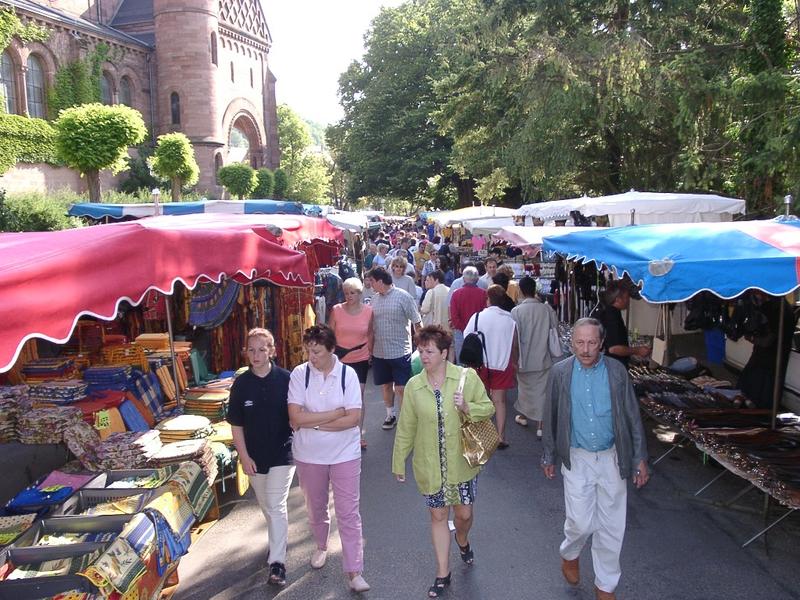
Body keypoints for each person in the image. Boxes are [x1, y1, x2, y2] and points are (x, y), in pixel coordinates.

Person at [541, 318, 649, 600]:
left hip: (613, 456)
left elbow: (631, 415)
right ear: (571, 343)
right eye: (579, 342)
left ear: (601, 343)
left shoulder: (616, 372)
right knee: (580, 522)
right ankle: (570, 552)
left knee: (612, 525)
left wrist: (639, 457)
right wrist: (548, 454)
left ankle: (606, 585)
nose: (585, 349)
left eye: (591, 342)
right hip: (577, 457)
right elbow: (550, 415)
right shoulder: (560, 372)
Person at [392, 325, 495, 599]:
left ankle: (462, 539)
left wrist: (467, 407)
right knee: (438, 516)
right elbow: (406, 426)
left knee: (463, 514)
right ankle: (442, 573)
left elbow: (489, 407)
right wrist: (398, 460)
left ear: (445, 353)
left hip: (462, 463)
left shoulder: (466, 378)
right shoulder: (415, 386)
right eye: (421, 350)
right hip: (429, 465)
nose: (424, 356)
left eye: (429, 351)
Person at [287, 325, 370, 593]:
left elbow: (353, 419)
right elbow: (295, 418)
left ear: (332, 349)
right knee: (316, 506)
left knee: (348, 512)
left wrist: (315, 424)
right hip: (309, 454)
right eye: (308, 351)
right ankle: (321, 544)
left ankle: (354, 570)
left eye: (318, 352)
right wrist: (334, 414)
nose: (312, 357)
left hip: (345, 452)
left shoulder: (347, 375)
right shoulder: (300, 375)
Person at [229, 328, 294, 587]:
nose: (256, 355)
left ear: (272, 351)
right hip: (254, 456)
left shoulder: (287, 379)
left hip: (283, 452)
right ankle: (275, 543)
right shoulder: (241, 384)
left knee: (276, 505)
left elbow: (297, 414)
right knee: (267, 506)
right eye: (251, 349)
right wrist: (243, 456)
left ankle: (277, 563)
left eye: (262, 349)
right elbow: (236, 425)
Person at [365, 266, 422, 430]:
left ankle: (406, 418)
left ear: (380, 281)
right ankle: (390, 414)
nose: (370, 285)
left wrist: (422, 345)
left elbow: (417, 322)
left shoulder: (403, 297)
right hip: (379, 352)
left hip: (400, 351)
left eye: (372, 281)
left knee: (401, 388)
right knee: (385, 385)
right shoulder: (374, 300)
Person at [465, 285, 518, 448]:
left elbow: (467, 336)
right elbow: (514, 345)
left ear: (488, 299)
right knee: (499, 401)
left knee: (481, 399)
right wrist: (515, 362)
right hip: (502, 364)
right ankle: (500, 436)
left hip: (481, 364)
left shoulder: (477, 317)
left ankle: (481, 435)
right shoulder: (510, 320)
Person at [329, 277, 374, 450]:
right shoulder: (337, 310)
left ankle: (358, 434)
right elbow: (330, 333)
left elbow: (370, 333)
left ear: (360, 293)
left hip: (360, 357)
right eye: (346, 293)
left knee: (359, 397)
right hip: (339, 357)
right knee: (339, 397)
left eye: (352, 292)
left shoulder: (369, 311)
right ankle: (341, 431)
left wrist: (371, 352)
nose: (349, 296)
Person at [511, 277, 559, 437]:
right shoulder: (547, 310)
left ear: (521, 290)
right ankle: (540, 425)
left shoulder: (516, 311)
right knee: (542, 392)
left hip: (523, 359)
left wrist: (514, 359)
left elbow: (514, 339)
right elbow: (555, 331)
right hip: (543, 357)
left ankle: (524, 416)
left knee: (525, 391)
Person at [737, 291, 797, 409]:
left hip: (769, 363)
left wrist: (752, 338)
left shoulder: (778, 309)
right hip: (763, 360)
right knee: (748, 393)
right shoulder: (777, 307)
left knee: (759, 398)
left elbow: (768, 341)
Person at [590, 280, 650, 367]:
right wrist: (638, 350)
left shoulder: (608, 311)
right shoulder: (612, 316)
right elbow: (614, 349)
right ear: (618, 299)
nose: (628, 300)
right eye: (626, 297)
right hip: (613, 365)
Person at [448, 266, 487, 364]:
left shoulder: (456, 294)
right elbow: (484, 313)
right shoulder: (483, 294)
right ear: (477, 279)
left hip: (461, 331)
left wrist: (463, 328)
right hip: (478, 331)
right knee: (478, 361)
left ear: (464, 279)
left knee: (462, 362)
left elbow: (454, 316)